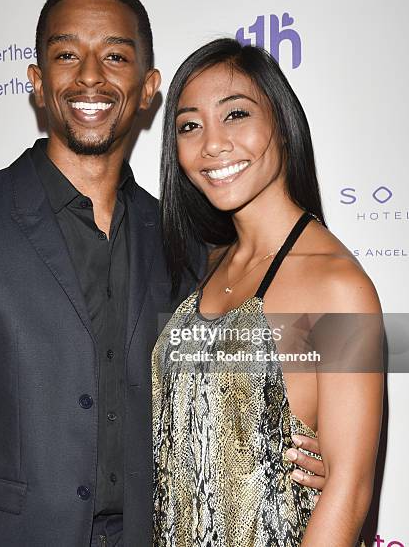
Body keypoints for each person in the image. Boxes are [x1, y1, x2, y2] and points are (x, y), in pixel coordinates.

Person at [0, 0, 324, 547]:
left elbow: (289, 358)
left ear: (148, 89)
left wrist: (315, 454)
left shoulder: (189, 243)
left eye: (115, 56)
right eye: (67, 54)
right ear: (38, 83)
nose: (90, 75)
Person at [153, 38, 383, 546]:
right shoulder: (202, 266)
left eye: (235, 114)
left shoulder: (337, 287)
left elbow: (348, 491)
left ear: (281, 120)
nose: (212, 143)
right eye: (190, 125)